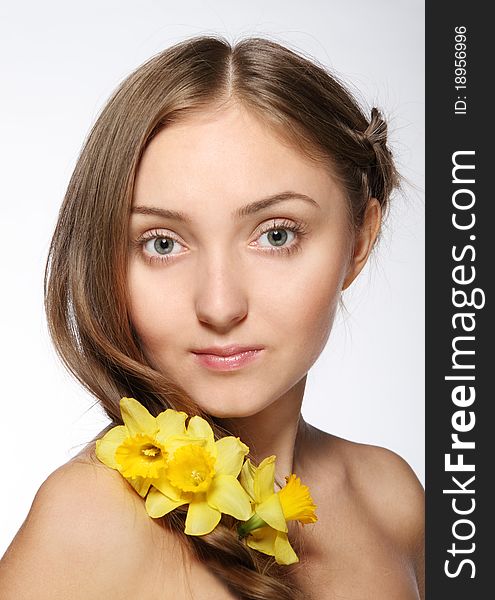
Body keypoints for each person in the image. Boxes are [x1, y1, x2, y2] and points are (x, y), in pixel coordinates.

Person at [0, 35, 424, 599]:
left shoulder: (391, 499)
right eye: (163, 244)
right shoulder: (89, 523)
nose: (220, 306)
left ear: (359, 240)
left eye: (276, 235)